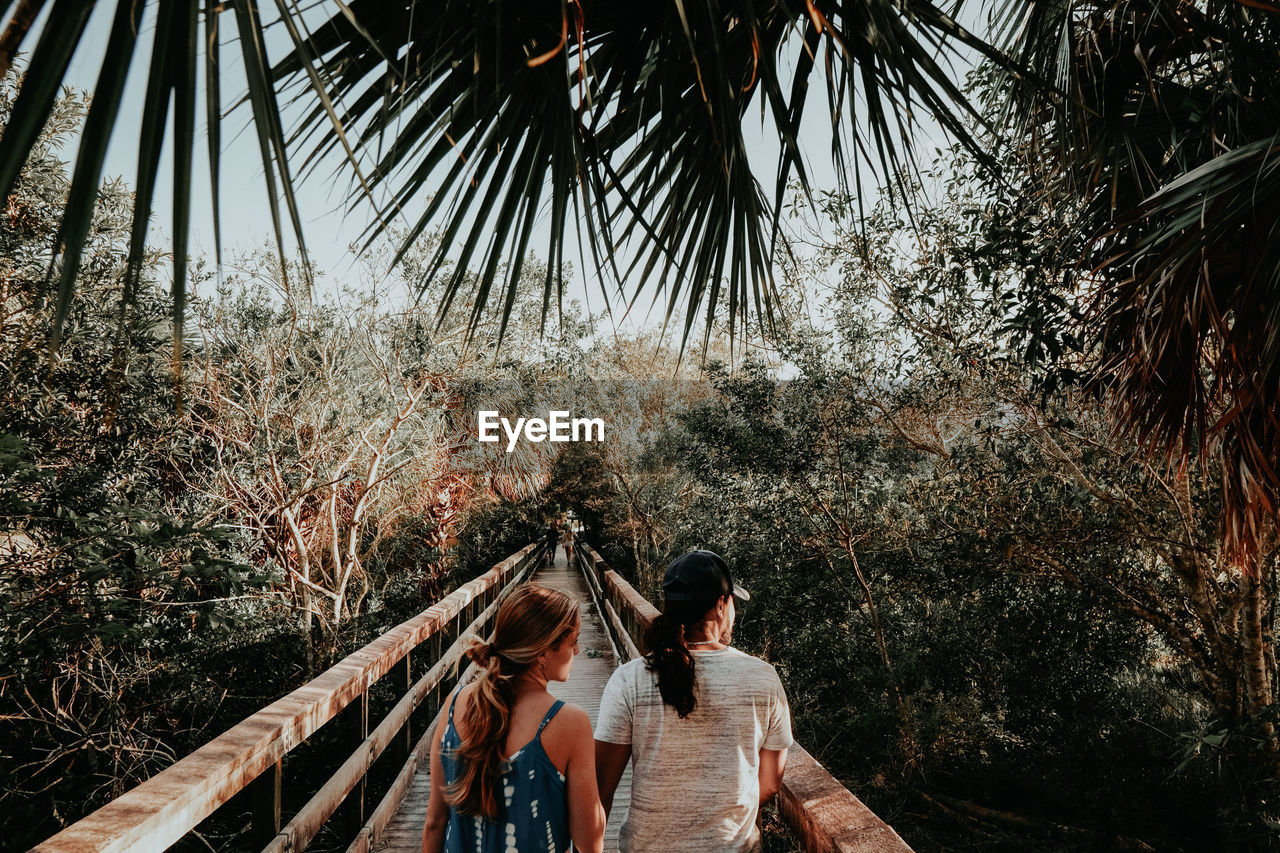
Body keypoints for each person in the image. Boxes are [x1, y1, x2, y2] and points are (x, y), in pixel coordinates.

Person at [593, 550, 792, 852]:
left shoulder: (629, 679)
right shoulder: (762, 678)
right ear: (720, 606)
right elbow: (769, 783)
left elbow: (600, 789)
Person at [421, 584, 605, 853]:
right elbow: (590, 843)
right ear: (542, 652)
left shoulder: (456, 703)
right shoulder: (570, 724)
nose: (577, 650)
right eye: (573, 640)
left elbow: (434, 824)